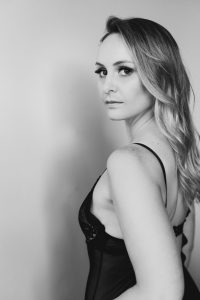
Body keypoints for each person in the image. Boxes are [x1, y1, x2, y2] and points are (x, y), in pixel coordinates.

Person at [78, 16, 200, 300]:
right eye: (101, 71)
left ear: (160, 74)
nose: (107, 85)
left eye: (124, 70)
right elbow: (183, 251)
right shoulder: (180, 152)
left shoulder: (128, 162)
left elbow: (164, 291)